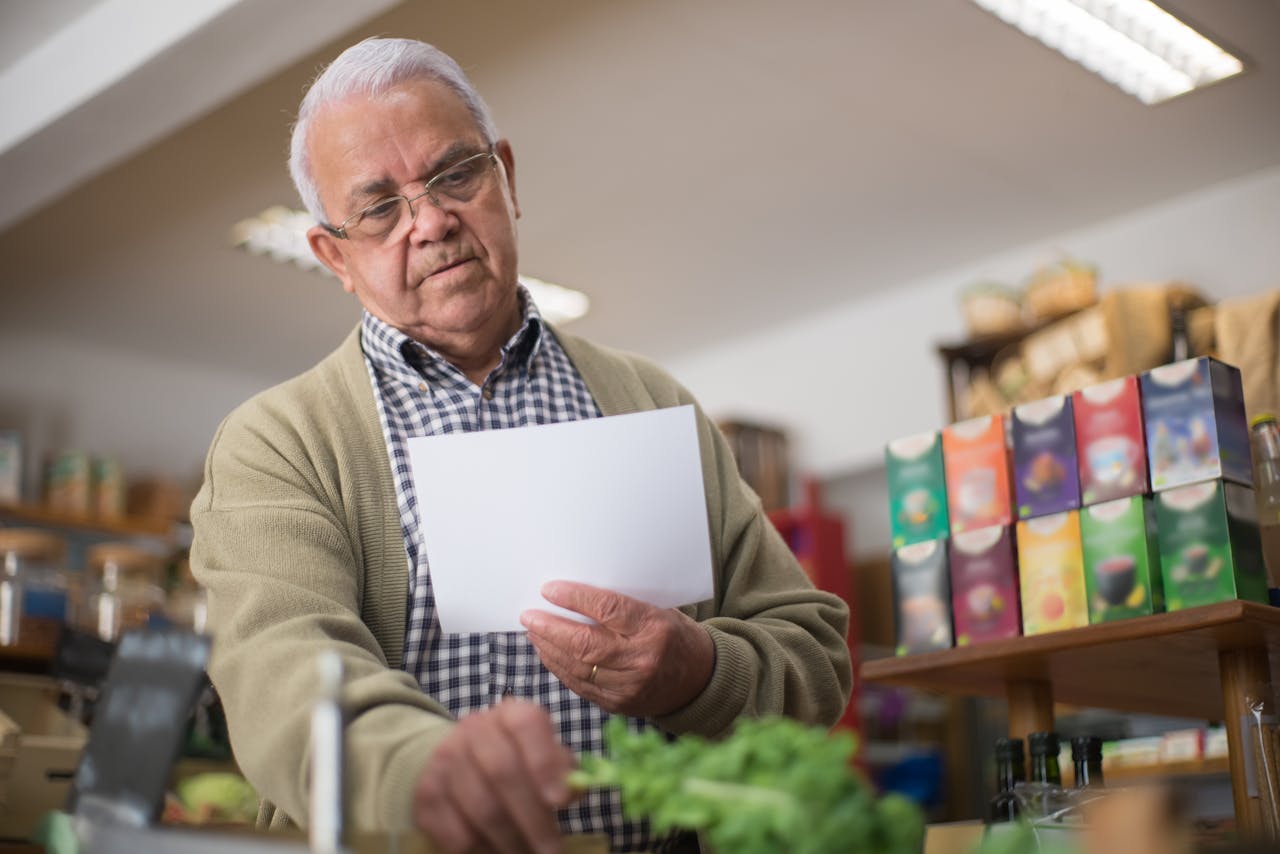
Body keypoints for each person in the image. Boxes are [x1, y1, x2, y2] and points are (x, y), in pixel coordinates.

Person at [189, 36, 852, 854]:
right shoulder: (276, 444)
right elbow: (282, 684)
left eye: (454, 175)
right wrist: (428, 774)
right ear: (335, 255)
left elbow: (814, 652)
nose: (430, 221)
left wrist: (700, 672)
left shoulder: (648, 401)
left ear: (505, 176)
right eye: (379, 208)